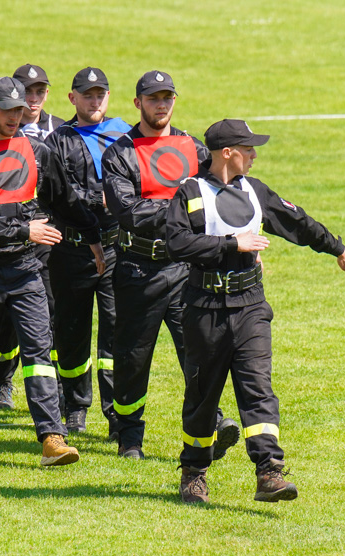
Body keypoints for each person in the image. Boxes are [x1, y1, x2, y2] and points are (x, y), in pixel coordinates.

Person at [166, 119, 345, 503]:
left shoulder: (255, 191)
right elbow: (177, 243)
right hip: (203, 309)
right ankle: (194, 473)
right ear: (227, 153)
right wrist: (230, 245)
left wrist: (336, 248)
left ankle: (269, 472)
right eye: (248, 149)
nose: (254, 156)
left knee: (258, 388)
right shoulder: (189, 191)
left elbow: (295, 221)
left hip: (251, 306)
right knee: (203, 396)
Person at [0, 76, 105, 466]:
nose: (16, 116)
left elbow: (64, 199)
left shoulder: (37, 149)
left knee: (37, 351)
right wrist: (22, 229)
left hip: (26, 267)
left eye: (20, 109)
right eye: (7, 109)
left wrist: (93, 237)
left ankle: (52, 437)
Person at [102, 70, 239, 459]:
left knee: (200, 351)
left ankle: (211, 423)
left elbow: (218, 200)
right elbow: (128, 211)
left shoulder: (194, 149)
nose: (161, 105)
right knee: (132, 357)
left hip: (186, 269)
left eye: (167, 98)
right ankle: (130, 435)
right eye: (153, 99)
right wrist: (181, 214)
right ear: (137, 103)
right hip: (137, 269)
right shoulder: (120, 153)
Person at [45, 67, 131, 437]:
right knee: (71, 332)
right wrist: (105, 200)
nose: (95, 101)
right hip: (71, 250)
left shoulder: (123, 133)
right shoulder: (58, 139)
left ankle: (115, 413)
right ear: (72, 98)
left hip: (116, 250)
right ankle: (75, 407)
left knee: (116, 333)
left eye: (101, 94)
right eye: (87, 94)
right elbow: (59, 193)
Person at [0, 63, 66, 411]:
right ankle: (2, 382)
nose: (33, 99)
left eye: (40, 91)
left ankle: (56, 392)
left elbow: (65, 189)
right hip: (7, 239)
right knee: (5, 320)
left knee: (49, 316)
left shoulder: (62, 131)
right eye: (27, 92)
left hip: (49, 241)